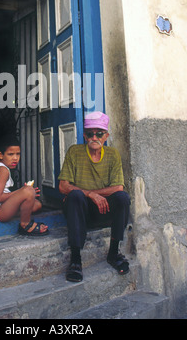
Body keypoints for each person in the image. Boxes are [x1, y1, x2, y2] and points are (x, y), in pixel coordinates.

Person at [58, 111, 130, 282]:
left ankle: (114, 252)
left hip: (101, 210)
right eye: (90, 134)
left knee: (122, 197)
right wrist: (89, 194)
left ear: (106, 136)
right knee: (75, 195)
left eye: (99, 133)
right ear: (84, 135)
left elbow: (118, 187)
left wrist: (94, 195)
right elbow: (63, 186)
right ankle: (76, 259)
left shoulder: (112, 155)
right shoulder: (74, 152)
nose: (94, 137)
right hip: (79, 211)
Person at [0, 135, 49, 236]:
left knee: (37, 204)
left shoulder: (1, 167)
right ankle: (25, 224)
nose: (15, 158)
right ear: (0, 155)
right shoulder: (3, 170)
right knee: (28, 191)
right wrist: (23, 191)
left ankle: (24, 208)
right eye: (10, 154)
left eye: (18, 154)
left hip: (5, 207)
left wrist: (24, 193)